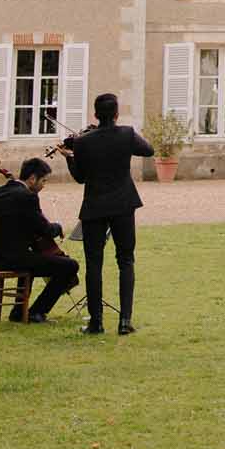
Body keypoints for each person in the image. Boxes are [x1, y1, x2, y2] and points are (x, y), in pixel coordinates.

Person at [60, 92, 154, 336]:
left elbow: (80, 177)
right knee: (126, 261)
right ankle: (125, 321)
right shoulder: (126, 134)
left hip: (95, 206)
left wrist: (71, 157)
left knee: (94, 264)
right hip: (123, 204)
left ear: (95, 115)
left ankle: (96, 322)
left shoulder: (83, 142)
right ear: (116, 114)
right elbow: (148, 150)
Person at [0, 156, 78, 323]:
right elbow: (44, 229)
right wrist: (57, 227)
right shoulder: (28, 197)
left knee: (31, 260)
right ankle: (37, 312)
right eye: (43, 181)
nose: (44, 185)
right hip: (12, 259)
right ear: (32, 178)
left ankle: (18, 311)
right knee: (70, 266)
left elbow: (19, 224)